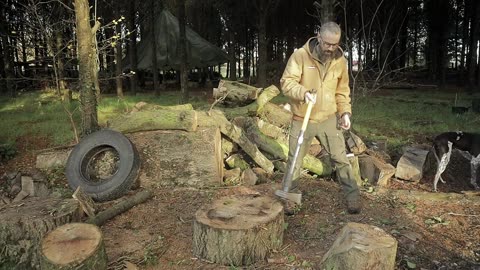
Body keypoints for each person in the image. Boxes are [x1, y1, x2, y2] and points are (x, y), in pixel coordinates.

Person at [280, 21, 361, 214]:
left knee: (341, 158)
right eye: (327, 44)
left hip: (328, 119)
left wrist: (345, 113)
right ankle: (289, 197)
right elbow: (286, 82)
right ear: (318, 37)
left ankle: (353, 198)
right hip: (302, 119)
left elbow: (342, 91)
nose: (331, 48)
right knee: (295, 160)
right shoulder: (300, 56)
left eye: (335, 44)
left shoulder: (340, 61)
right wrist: (303, 92)